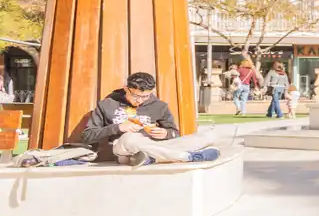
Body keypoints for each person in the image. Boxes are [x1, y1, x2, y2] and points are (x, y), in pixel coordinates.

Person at [17, 71, 219, 167]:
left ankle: (150, 158)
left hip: (150, 145)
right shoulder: (107, 105)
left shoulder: (160, 106)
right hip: (122, 148)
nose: (140, 100)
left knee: (206, 136)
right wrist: (117, 128)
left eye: (145, 96)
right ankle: (188, 157)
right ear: (126, 89)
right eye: (136, 96)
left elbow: (175, 132)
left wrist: (166, 132)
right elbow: (88, 136)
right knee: (132, 140)